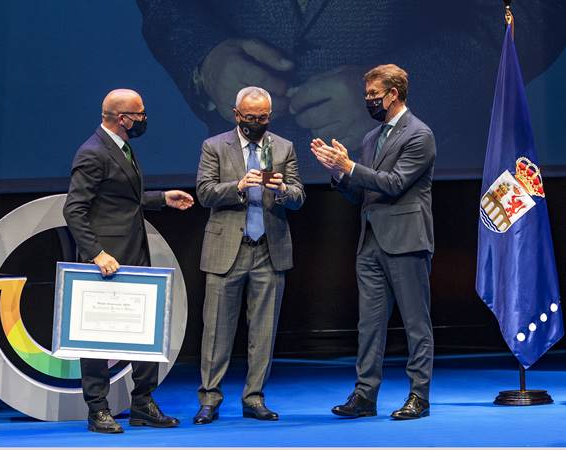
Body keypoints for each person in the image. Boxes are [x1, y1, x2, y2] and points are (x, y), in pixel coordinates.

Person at [136, 0, 566, 178]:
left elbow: (536, 13)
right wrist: (205, 58)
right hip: (245, 190)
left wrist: (397, 98)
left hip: (431, 190)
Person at [63, 88, 194, 434]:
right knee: (97, 337)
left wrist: (162, 198)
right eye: (140, 114)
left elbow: (121, 200)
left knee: (145, 329)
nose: (144, 120)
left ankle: (143, 404)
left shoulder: (120, 147)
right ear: (122, 119)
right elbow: (74, 210)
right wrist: (96, 253)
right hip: (105, 261)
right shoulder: (92, 152)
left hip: (134, 255)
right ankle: (98, 409)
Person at [311, 64, 435, 420]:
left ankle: (419, 397)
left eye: (372, 96)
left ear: (393, 95)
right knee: (369, 324)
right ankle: (365, 395)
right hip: (370, 242)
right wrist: (339, 174)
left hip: (407, 241)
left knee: (416, 323)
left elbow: (395, 183)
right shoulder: (370, 138)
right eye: (366, 95)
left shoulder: (419, 134)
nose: (368, 101)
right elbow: (362, 193)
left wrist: (349, 166)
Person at [194, 86, 304, 424]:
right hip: (228, 247)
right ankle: (210, 398)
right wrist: (238, 186)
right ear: (236, 114)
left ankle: (254, 397)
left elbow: (299, 197)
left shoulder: (283, 147)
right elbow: (204, 193)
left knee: (263, 330)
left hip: (269, 250)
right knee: (216, 330)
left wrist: (283, 190)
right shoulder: (215, 146)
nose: (256, 123)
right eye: (249, 118)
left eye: (262, 118)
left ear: (269, 116)